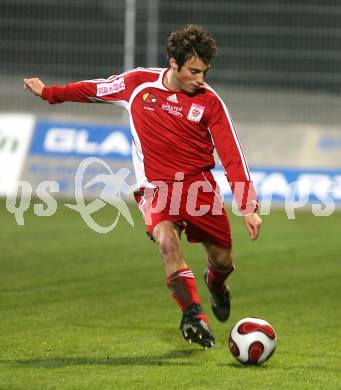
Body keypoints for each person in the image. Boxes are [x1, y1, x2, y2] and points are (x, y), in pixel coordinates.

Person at [24, 24, 262, 349]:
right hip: (155, 189)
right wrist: (50, 93)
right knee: (166, 242)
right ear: (174, 64)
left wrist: (247, 205)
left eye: (204, 71)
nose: (201, 78)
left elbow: (232, 153)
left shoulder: (210, 102)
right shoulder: (138, 85)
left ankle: (216, 284)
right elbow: (95, 88)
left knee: (222, 258)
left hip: (199, 191)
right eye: (194, 71)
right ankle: (193, 315)